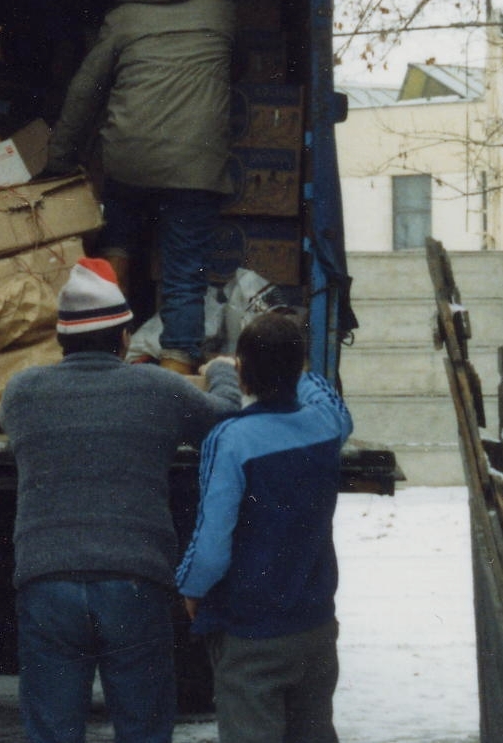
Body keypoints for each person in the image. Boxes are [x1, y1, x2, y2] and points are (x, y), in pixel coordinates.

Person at [0, 256, 242, 743]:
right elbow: (224, 425)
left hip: (47, 581)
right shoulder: (158, 388)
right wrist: (222, 373)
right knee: (143, 728)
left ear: (61, 339)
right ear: (125, 337)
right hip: (135, 581)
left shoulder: (21, 392)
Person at [43, 0, 236, 375]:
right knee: (184, 273)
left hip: (129, 160)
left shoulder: (124, 17)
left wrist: (60, 159)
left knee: (119, 246)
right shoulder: (221, 12)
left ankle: (104, 358)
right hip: (195, 164)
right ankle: (178, 371)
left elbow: (85, 91)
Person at [176, 312, 353, 743]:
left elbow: (212, 540)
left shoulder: (232, 439)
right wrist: (299, 368)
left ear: (243, 375)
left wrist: (192, 588)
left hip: (251, 632)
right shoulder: (326, 425)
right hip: (314, 627)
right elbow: (329, 400)